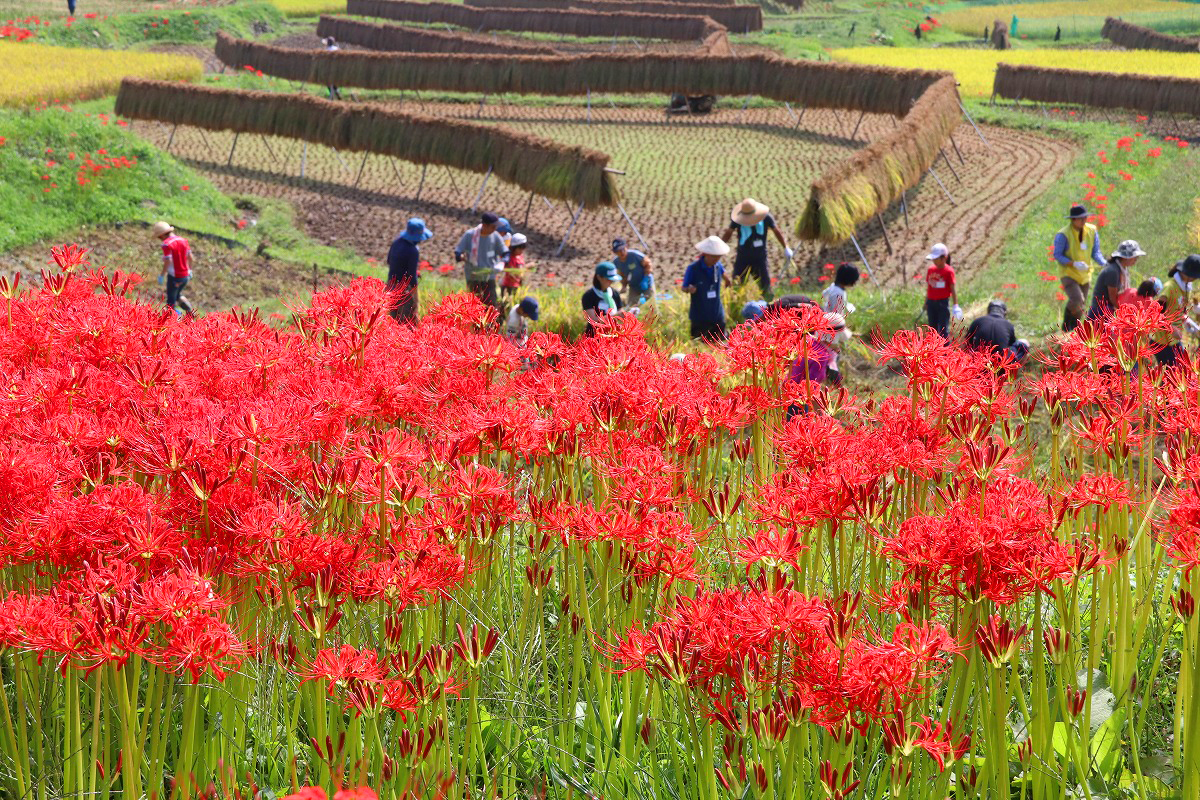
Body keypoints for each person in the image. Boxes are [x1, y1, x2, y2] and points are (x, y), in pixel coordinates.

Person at [720, 198, 793, 300]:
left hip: (760, 258)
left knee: (765, 287)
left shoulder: (766, 217)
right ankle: (736, 308)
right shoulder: (737, 219)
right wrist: (719, 248)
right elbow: (728, 232)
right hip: (743, 258)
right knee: (737, 285)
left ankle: (768, 309)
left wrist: (786, 247)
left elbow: (776, 231)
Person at [1053, 204, 1106, 332]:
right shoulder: (1063, 234)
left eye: (1085, 218)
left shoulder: (1092, 230)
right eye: (1080, 218)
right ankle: (1066, 326)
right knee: (1077, 299)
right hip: (1069, 273)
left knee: (1081, 305)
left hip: (1085, 274)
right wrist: (1073, 263)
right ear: (1073, 220)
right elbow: (1057, 254)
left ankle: (1074, 329)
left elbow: (1095, 252)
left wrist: (1104, 263)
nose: (1084, 221)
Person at [455, 212, 508, 314]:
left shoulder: (495, 236)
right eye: (493, 227)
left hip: (489, 276)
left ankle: (490, 328)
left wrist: (502, 263)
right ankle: (476, 329)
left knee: (491, 305)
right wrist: (462, 257)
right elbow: (458, 252)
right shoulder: (470, 235)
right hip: (473, 276)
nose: (494, 229)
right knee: (475, 306)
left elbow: (505, 253)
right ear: (485, 225)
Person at [682, 236, 732, 342]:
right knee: (700, 344)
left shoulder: (718, 266)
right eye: (713, 257)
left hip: (716, 312)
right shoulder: (693, 268)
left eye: (718, 257)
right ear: (705, 254)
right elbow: (684, 287)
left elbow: (724, 275)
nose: (716, 259)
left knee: (720, 342)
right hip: (699, 314)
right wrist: (689, 289)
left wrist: (727, 281)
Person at [1156, 255, 1200, 367]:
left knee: (1182, 369)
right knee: (1170, 374)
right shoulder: (1169, 288)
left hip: (1174, 339)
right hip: (1162, 340)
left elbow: (1181, 310)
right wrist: (1171, 328)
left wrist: (1187, 321)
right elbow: (1156, 313)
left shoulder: (1186, 288)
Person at [386, 217, 431, 324]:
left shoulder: (396, 242)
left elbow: (389, 261)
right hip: (404, 291)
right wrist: (416, 298)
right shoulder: (413, 250)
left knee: (393, 321)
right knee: (407, 322)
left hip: (391, 287)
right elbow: (412, 278)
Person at [1087, 239, 1144, 321]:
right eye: (1135, 257)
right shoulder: (1113, 271)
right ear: (1126, 257)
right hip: (1101, 311)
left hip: (1108, 309)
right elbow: (1112, 297)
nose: (1136, 259)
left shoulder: (1122, 269)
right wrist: (1126, 312)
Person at [821, 262, 859, 385]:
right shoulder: (839, 294)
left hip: (826, 324)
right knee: (832, 357)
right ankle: (835, 384)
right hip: (832, 328)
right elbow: (836, 316)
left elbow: (824, 295)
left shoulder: (834, 287)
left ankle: (832, 381)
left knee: (830, 356)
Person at [153, 221, 194, 315]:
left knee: (170, 302)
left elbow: (168, 261)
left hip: (175, 276)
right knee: (178, 295)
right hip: (185, 275)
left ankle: (175, 321)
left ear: (162, 235)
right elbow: (191, 257)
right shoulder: (183, 240)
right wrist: (190, 270)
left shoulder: (166, 244)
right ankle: (189, 312)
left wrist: (162, 275)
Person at [923, 243, 959, 338]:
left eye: (936, 258)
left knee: (943, 330)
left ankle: (945, 352)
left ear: (944, 258)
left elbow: (953, 289)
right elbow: (929, 288)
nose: (934, 261)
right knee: (932, 330)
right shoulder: (930, 270)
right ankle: (933, 351)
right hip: (931, 303)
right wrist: (925, 302)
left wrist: (956, 305)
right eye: (933, 259)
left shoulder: (949, 271)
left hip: (942, 303)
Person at [582, 261, 625, 336]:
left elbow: (620, 311)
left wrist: (628, 313)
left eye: (612, 279)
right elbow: (593, 321)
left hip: (613, 334)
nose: (611, 282)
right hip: (594, 336)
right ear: (599, 277)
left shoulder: (615, 293)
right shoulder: (588, 296)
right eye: (608, 279)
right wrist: (614, 316)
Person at [611, 238, 654, 307]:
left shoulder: (635, 255)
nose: (622, 252)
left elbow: (648, 265)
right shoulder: (616, 262)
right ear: (615, 252)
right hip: (633, 286)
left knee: (648, 301)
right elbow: (622, 275)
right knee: (631, 305)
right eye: (619, 251)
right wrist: (624, 286)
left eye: (623, 249)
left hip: (646, 283)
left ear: (626, 247)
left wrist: (645, 279)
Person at [499, 233, 527, 302]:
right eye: (520, 248)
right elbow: (513, 272)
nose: (521, 251)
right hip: (508, 286)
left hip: (517, 285)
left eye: (523, 248)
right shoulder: (508, 258)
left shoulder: (520, 256)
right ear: (514, 248)